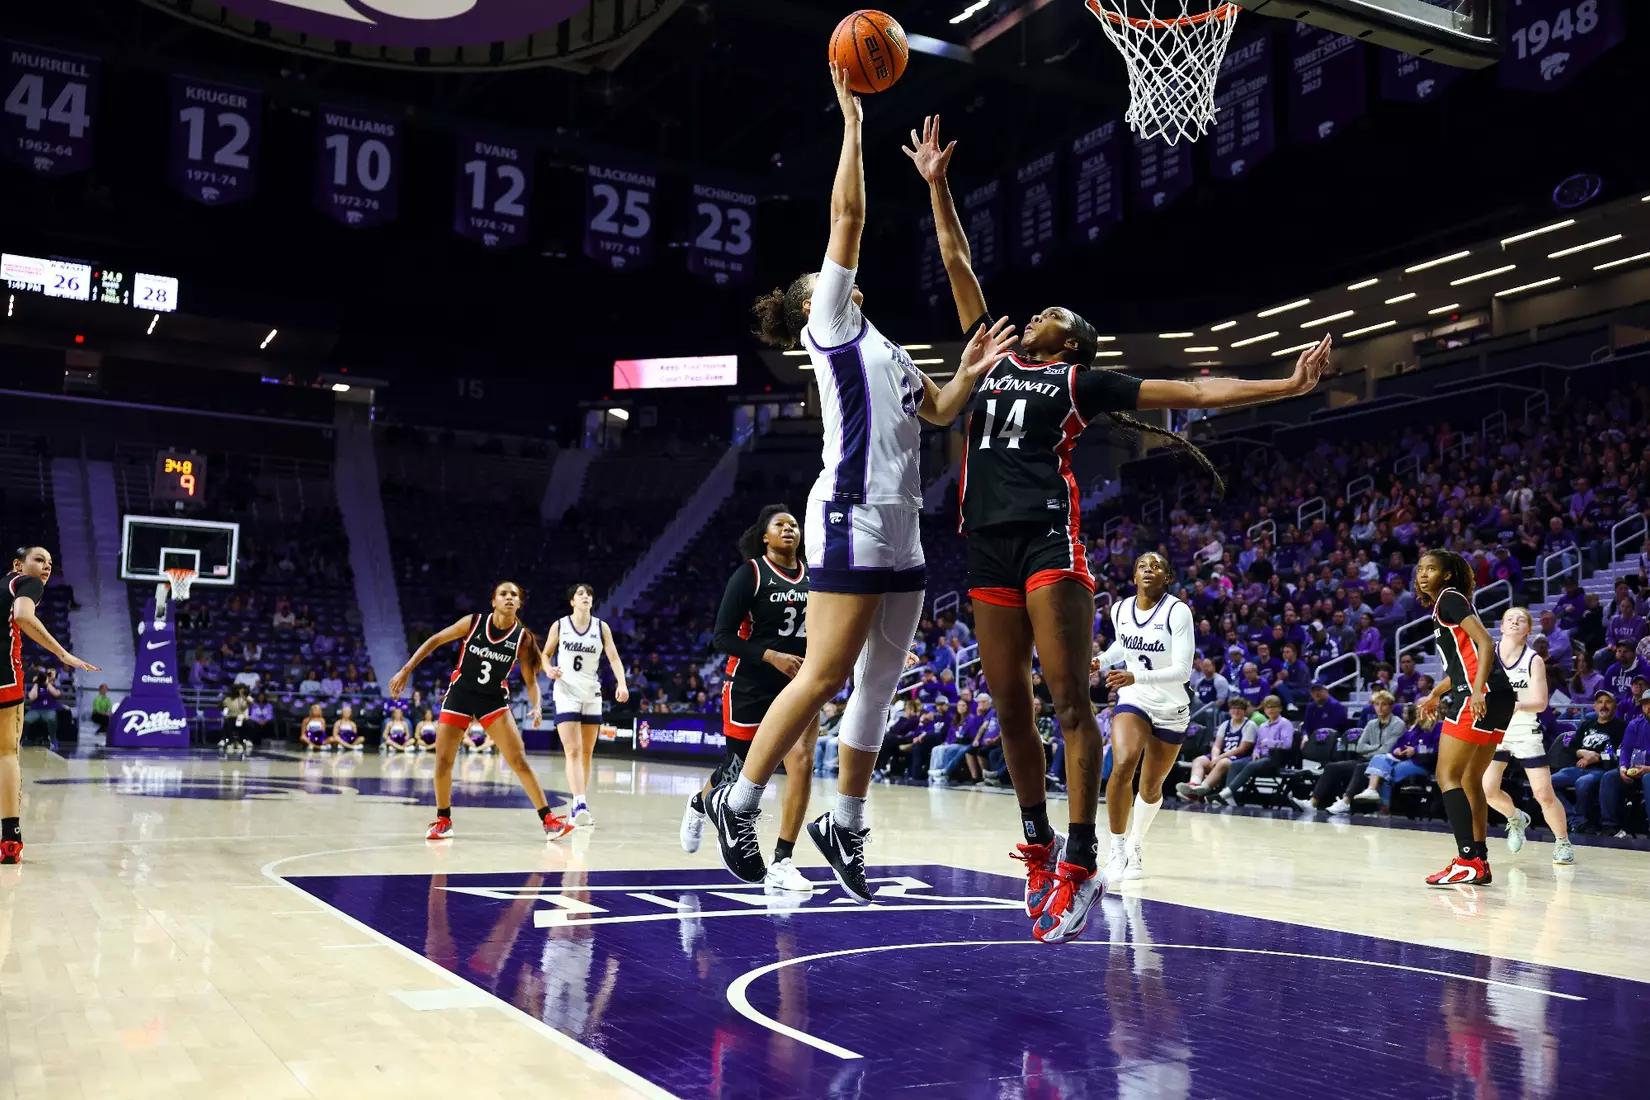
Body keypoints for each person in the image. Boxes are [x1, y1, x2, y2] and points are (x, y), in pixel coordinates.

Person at [905, 114, 1331, 941]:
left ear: (1072, 340)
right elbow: (958, 260)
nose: (1031, 318)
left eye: (1048, 316)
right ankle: (1035, 841)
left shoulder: (1085, 381)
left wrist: (1285, 387)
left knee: (1069, 701)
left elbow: (1194, 392)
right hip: (983, 539)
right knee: (1008, 706)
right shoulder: (989, 352)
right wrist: (936, 184)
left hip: (1048, 544)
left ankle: (1080, 861)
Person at [705, 63, 1011, 902]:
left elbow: (940, 412)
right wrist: (853, 124)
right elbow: (849, 214)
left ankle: (845, 817)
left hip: (902, 520)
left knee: (880, 679)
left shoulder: (889, 348)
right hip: (847, 514)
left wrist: (974, 369)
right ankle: (741, 799)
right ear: (815, 305)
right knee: (824, 674)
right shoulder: (832, 325)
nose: (831, 271)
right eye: (822, 275)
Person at [682, 506, 818, 892]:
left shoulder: (814, 576)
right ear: (765, 536)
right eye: (781, 525)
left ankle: (783, 861)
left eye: (794, 525)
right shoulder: (751, 574)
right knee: (738, 768)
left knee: (803, 763)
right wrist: (771, 655)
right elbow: (721, 637)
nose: (789, 529)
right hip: (750, 683)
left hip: (798, 683)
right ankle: (699, 803)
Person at [389, 581, 572, 841]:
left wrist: (537, 706)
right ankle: (444, 820)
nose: (509, 598)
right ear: (493, 601)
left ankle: (549, 820)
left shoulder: (522, 638)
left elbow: (531, 682)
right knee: (443, 761)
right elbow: (434, 641)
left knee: (518, 760)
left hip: (492, 700)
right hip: (461, 694)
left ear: (519, 604)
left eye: (514, 595)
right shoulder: (473, 622)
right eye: (503, 594)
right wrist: (406, 669)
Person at [1090, 553, 1195, 899]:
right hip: (1134, 698)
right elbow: (1123, 645)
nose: (1149, 570)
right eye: (1142, 566)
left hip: (1171, 705)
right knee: (1122, 764)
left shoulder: (1177, 611)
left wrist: (1137, 674)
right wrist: (1101, 660)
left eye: (1158, 567)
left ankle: (1136, 844)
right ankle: (1117, 849)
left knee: (1150, 788)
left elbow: (1183, 670)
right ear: (1134, 575)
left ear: (1168, 578)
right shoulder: (1120, 609)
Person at [1414, 549, 1517, 886]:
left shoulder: (1448, 599)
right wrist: (1435, 692)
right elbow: (1463, 662)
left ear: (1447, 575)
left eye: (1432, 568)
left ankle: (1467, 859)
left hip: (1481, 695)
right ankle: (1480, 861)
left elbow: (1487, 644)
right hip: (1498, 696)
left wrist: (1475, 692)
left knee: (1447, 775)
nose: (1423, 574)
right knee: (1472, 779)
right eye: (1420, 569)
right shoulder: (1449, 603)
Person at [2, 547, 99, 864]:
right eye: (38, 560)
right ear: (19, 565)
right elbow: (23, 616)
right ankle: (10, 841)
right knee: (6, 754)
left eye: (49, 563)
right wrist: (63, 654)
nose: (45, 567)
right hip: (4, 674)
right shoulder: (27, 583)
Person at [1481, 607, 1573, 865]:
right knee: (1487, 790)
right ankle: (1515, 818)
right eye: (1509, 618)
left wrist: (1515, 703)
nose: (1514, 622)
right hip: (1496, 729)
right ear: (1501, 626)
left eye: (1521, 620)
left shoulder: (1533, 660)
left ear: (1528, 630)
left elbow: (1541, 702)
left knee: (1543, 793)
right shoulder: (1488, 654)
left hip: (1524, 729)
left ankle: (1563, 843)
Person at [542, 583, 628, 828]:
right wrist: (548, 669)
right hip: (566, 691)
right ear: (572, 601)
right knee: (573, 750)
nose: (586, 597)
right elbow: (545, 654)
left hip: (592, 692)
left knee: (588, 752)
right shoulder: (560, 625)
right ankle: (579, 802)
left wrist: (622, 683)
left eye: (589, 594)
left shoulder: (602, 628)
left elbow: (613, 657)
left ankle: (578, 804)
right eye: (580, 594)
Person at [1293, 690, 1404, 814]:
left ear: (1391, 706)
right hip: (1364, 760)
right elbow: (1360, 748)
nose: (1380, 708)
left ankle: (1345, 802)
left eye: (1384, 704)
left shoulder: (1398, 724)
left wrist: (1370, 750)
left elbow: (1386, 751)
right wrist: (1377, 746)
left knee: (1361, 766)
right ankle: (1312, 803)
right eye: (1377, 704)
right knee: (1331, 767)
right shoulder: (1371, 723)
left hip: (1384, 764)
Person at [1549, 691, 1625, 834]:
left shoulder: (1621, 727)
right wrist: (1582, 753)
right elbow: (1571, 746)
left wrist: (1596, 757)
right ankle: (1577, 820)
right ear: (1594, 707)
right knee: (1547, 783)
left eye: (1608, 702)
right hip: (1578, 767)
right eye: (1600, 702)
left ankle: (1579, 822)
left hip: (1602, 770)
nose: (1604, 705)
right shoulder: (1587, 724)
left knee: (1583, 783)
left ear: (1615, 707)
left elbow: (1619, 752)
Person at [1212, 696, 1294, 804]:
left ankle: (1225, 793)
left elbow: (1287, 744)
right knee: (1236, 764)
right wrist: (1256, 752)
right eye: (1268, 707)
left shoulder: (1285, 723)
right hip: (1261, 757)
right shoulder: (1263, 726)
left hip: (1277, 758)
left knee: (1251, 765)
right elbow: (1258, 744)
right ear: (1264, 710)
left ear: (1280, 709)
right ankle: (1230, 797)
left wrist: (1269, 742)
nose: (1270, 710)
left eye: (1274, 707)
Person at [1176, 697, 1254, 800]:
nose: (1236, 711)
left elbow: (1242, 749)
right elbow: (1217, 745)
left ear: (1245, 711)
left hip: (1239, 758)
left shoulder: (1250, 725)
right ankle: (1194, 785)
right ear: (1229, 710)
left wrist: (1219, 758)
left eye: (1239, 708)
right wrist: (1215, 758)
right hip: (1222, 756)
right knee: (1199, 760)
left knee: (1223, 762)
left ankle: (1201, 789)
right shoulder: (1225, 724)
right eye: (1233, 708)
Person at [1603, 693, 1650, 838]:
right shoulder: (1635, 725)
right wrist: (1623, 767)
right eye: (1644, 704)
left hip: (1647, 772)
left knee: (1648, 778)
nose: (1648, 707)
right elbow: (1625, 749)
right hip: (1635, 769)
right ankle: (1610, 825)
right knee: (1609, 777)